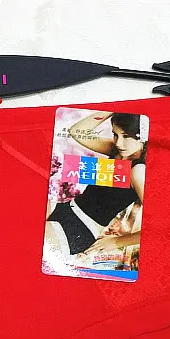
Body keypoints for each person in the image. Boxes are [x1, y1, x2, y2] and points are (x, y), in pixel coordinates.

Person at [45, 111, 146, 261]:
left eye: (126, 136)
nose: (119, 143)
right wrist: (113, 108)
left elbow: (159, 224)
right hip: (66, 207)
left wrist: (116, 242)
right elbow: (77, 132)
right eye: (115, 134)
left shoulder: (138, 171)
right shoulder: (116, 150)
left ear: (143, 136)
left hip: (82, 228)